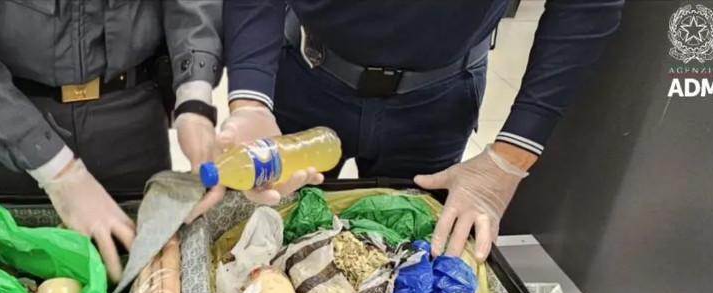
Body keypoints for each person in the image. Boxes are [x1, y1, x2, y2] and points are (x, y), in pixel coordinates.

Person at [218, 0, 624, 261]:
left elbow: (587, 6)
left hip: (439, 98)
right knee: (266, 239)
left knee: (410, 255)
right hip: (304, 74)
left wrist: (511, 157)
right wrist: (250, 98)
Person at [0, 0, 223, 282]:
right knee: (12, 280)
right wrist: (53, 166)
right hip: (2, 117)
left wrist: (194, 93)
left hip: (133, 113)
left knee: (147, 277)